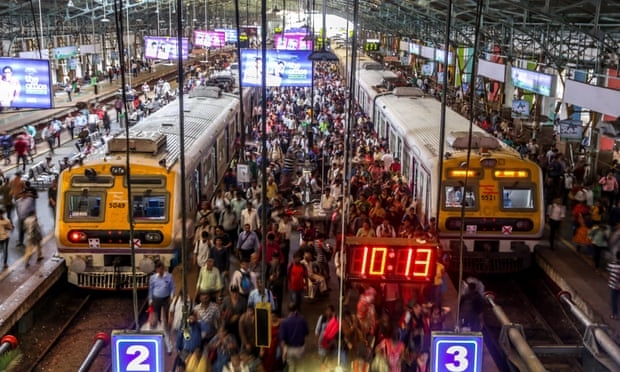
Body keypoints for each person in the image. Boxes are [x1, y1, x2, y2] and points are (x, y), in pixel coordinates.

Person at [279, 303, 309, 372]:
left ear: (288, 310)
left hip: (289, 349)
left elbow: (282, 339)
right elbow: (306, 333)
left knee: (291, 366)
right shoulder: (302, 320)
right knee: (300, 366)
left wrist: (284, 352)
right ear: (296, 310)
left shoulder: (284, 322)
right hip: (300, 348)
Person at [148, 260, 175, 331]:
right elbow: (151, 289)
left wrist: (172, 296)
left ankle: (167, 328)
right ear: (156, 269)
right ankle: (158, 328)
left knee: (166, 313)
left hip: (166, 299)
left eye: (161, 269)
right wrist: (150, 299)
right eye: (158, 269)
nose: (160, 270)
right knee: (156, 314)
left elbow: (172, 287)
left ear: (163, 268)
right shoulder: (152, 278)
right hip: (156, 299)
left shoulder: (169, 276)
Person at [608, 251, 620, 320]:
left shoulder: (612, 265)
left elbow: (608, 270)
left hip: (614, 286)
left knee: (614, 301)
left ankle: (614, 314)